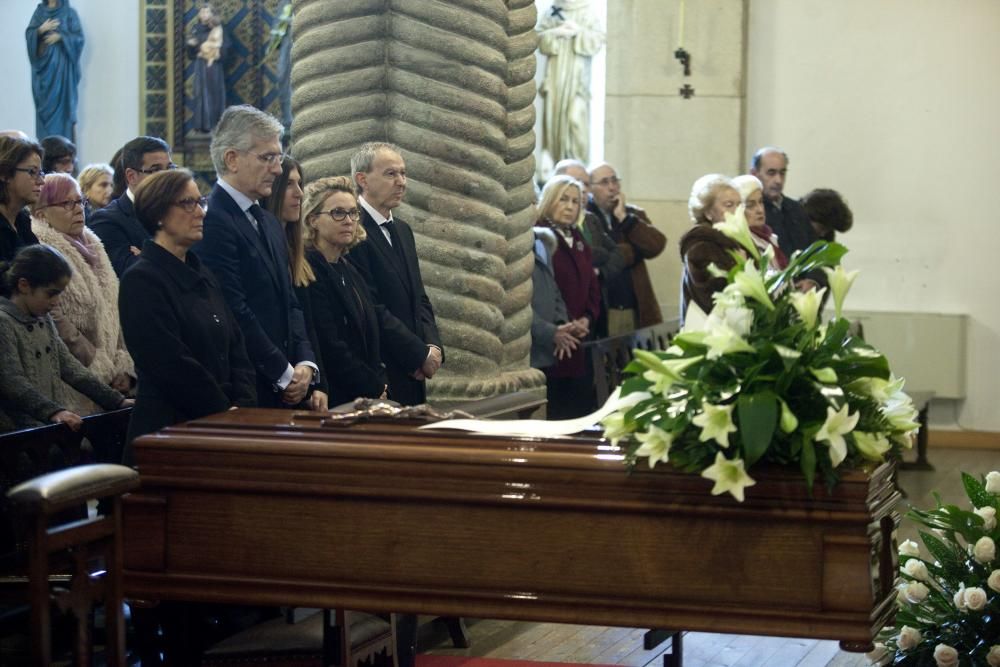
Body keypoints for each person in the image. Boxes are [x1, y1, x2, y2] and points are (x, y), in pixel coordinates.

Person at [119, 169, 256, 463]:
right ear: (158, 214)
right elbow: (168, 362)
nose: (201, 213)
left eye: (201, 202)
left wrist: (242, 405)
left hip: (221, 426)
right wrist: (222, 411)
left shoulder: (201, 272)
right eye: (187, 204)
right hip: (170, 432)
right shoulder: (142, 279)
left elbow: (235, 343)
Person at [195, 105, 318, 409]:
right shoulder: (214, 221)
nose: (277, 169)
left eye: (278, 157)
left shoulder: (269, 222)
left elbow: (291, 302)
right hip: (250, 386)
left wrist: (305, 363)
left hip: (288, 383)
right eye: (268, 158)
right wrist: (284, 372)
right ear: (232, 159)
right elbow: (234, 308)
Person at [348, 142, 443, 407]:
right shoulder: (352, 230)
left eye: (403, 173)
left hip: (415, 371)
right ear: (362, 179)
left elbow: (419, 298)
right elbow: (371, 306)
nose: (401, 182)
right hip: (381, 368)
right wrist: (416, 355)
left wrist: (433, 349)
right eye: (391, 174)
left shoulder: (403, 230)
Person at [31, 172, 134, 416]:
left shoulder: (93, 244)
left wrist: (122, 364)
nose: (78, 209)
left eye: (79, 202)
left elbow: (115, 308)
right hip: (75, 379)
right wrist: (96, 362)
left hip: (112, 376)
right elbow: (53, 316)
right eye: (66, 203)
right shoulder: (43, 250)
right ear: (40, 212)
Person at [0, 244, 130, 433]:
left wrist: (116, 400)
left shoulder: (43, 319)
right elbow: (11, 382)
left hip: (45, 428)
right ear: (24, 285)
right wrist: (53, 412)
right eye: (51, 293)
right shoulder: (4, 322)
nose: (56, 301)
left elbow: (70, 367)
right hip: (16, 435)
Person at [303, 176, 405, 406]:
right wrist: (374, 387)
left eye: (353, 213)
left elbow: (371, 333)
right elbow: (330, 344)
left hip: (368, 390)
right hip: (336, 395)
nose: (349, 220)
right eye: (338, 213)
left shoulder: (348, 267)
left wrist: (381, 382)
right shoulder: (309, 270)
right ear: (313, 220)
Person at [260, 157, 328, 411]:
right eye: (289, 184)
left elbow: (308, 324)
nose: (299, 193)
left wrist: (315, 378)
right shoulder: (265, 245)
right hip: (276, 380)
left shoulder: (299, 252)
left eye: (300, 183)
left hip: (302, 376)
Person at [537, 174, 599, 419]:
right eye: (563, 199)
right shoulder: (539, 235)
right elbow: (543, 289)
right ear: (550, 200)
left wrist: (587, 318)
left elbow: (593, 285)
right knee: (557, 410)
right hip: (552, 336)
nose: (570, 206)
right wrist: (558, 326)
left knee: (579, 409)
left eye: (575, 201)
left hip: (578, 335)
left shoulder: (579, 238)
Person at [587, 162, 665, 335]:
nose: (612, 188)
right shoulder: (586, 217)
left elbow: (656, 246)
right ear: (590, 189)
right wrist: (633, 251)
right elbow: (597, 255)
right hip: (604, 308)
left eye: (615, 181)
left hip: (634, 306)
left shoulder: (632, 214)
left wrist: (623, 218)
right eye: (605, 182)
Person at [553, 158, 623, 337]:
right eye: (576, 182)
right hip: (561, 319)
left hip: (593, 310)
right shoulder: (548, 227)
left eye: (585, 183)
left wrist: (600, 272)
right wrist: (597, 255)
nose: (582, 189)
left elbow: (617, 253)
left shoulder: (591, 219)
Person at [89, 136, 175, 277]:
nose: (167, 177)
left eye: (170, 168)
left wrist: (147, 256)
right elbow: (136, 275)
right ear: (131, 176)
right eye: (156, 170)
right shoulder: (107, 220)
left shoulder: (180, 212)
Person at [536, 1, 605, 170]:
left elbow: (598, 38)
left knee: (575, 119)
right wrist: (557, 32)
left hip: (577, 78)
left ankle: (579, 167)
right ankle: (556, 166)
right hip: (556, 77)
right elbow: (537, 37)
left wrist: (577, 31)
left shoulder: (587, 11)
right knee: (553, 120)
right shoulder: (553, 10)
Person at [678, 174, 743, 320]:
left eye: (739, 205)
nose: (737, 211)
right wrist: (740, 266)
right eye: (729, 205)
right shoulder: (700, 247)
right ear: (708, 213)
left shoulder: (736, 241)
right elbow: (712, 299)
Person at [25, 0, 84, 140]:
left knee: (64, 114)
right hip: (43, 73)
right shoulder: (39, 13)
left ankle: (63, 149)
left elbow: (79, 38)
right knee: (43, 114)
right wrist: (40, 30)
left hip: (62, 74)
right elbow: (30, 35)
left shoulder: (69, 13)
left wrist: (61, 37)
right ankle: (45, 152)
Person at [530, 225, 581, 373]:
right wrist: (549, 332)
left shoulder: (541, 243)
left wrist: (561, 324)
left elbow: (554, 289)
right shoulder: (510, 244)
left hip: (547, 350)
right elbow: (513, 306)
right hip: (525, 351)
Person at [0, 136, 43, 262]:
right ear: (5, 174)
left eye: (40, 173)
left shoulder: (22, 219)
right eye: (32, 172)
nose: (41, 181)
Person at [732, 174, 788, 270]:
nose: (760, 210)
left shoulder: (768, 236)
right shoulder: (738, 243)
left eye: (761, 202)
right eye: (750, 205)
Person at [188, 3, 226, 133]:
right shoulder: (195, 28)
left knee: (214, 93)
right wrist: (191, 46)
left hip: (214, 66)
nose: (204, 15)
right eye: (202, 12)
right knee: (200, 94)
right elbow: (190, 51)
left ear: (212, 14)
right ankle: (201, 125)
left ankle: (215, 124)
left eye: (207, 12)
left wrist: (213, 52)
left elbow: (225, 47)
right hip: (200, 65)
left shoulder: (217, 28)